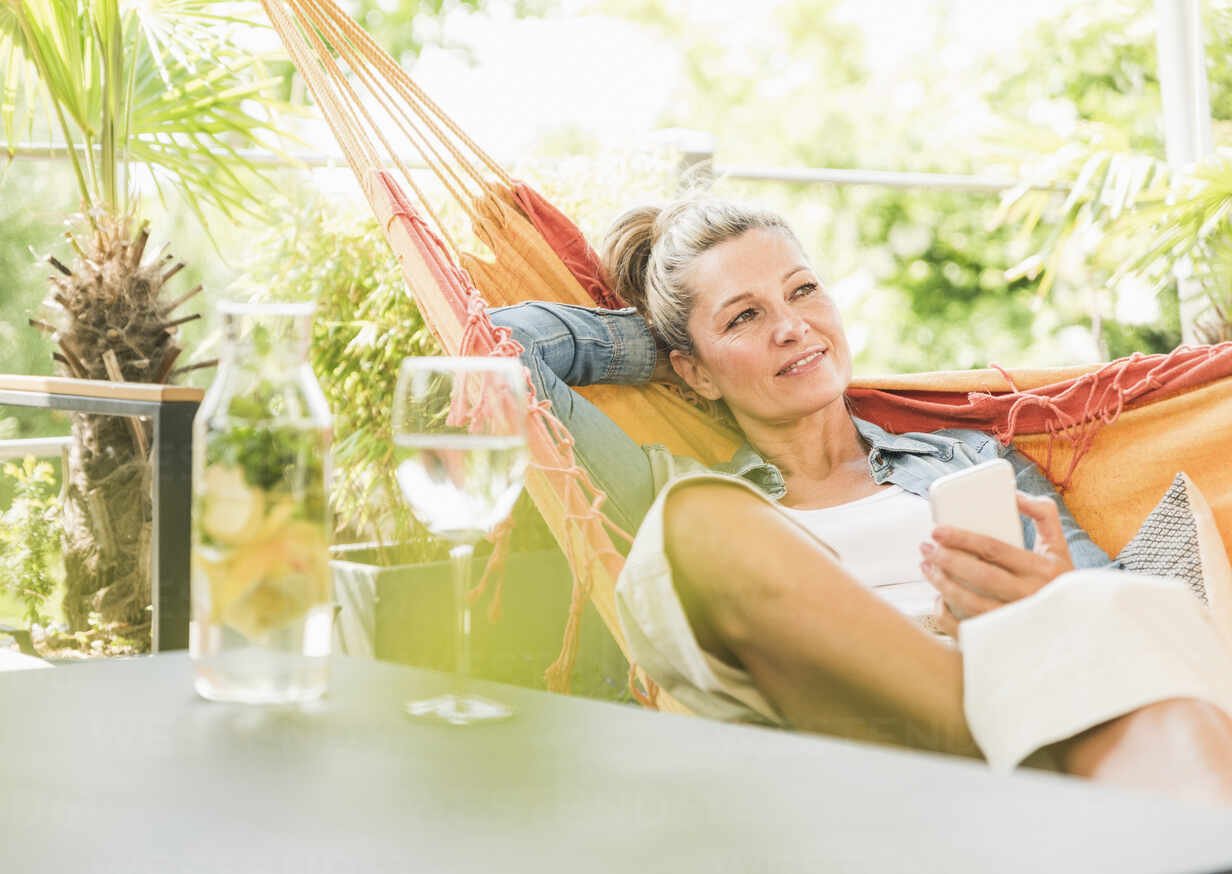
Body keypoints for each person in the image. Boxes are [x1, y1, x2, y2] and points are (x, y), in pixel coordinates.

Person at [490, 197, 1232, 803]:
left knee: (1131, 629)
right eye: (743, 318)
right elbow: (499, 350)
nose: (792, 327)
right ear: (694, 370)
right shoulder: (678, 489)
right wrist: (656, 345)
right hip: (861, 743)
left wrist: (1051, 590)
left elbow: (1130, 624)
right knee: (702, 530)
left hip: (1034, 703)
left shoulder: (969, 456)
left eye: (804, 290)